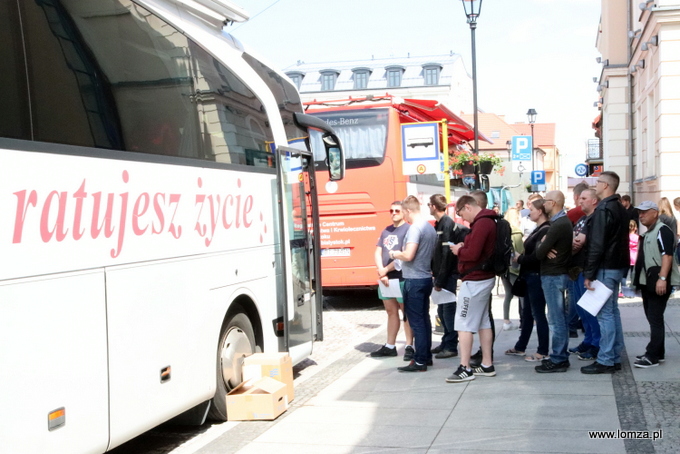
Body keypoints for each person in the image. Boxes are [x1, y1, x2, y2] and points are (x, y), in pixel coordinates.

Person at [582, 171, 629, 374]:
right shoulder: (618, 206)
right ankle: (614, 355)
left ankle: (607, 359)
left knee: (606, 314)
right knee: (612, 313)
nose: (596, 185)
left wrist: (589, 273)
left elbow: (597, 244)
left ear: (606, 186)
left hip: (606, 267)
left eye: (598, 182)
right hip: (616, 266)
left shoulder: (604, 208)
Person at [446, 195, 497, 382]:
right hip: (483, 278)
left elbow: (473, 254)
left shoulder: (482, 223)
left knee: (463, 323)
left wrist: (459, 250)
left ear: (467, 207)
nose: (462, 219)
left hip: (475, 280)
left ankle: (464, 367)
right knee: (483, 322)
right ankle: (486, 363)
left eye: (460, 214)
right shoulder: (489, 221)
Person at [391, 196, 437, 372]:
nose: (404, 217)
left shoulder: (414, 229)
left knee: (416, 322)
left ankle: (419, 361)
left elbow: (409, 255)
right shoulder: (429, 228)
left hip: (414, 280)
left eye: (403, 212)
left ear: (408, 211)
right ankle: (425, 357)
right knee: (424, 320)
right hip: (425, 278)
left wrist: (396, 254)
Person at [632, 201, 680, 367]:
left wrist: (663, 279)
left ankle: (652, 355)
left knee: (655, 319)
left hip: (658, 282)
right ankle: (658, 353)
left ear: (655, 212)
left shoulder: (662, 230)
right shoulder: (650, 232)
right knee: (654, 318)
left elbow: (667, 256)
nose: (641, 215)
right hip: (649, 282)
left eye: (645, 212)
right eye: (639, 212)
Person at [505, 198, 551, 361]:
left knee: (538, 314)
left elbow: (537, 256)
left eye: (531, 210)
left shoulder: (545, 230)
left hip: (536, 276)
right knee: (528, 313)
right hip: (530, 275)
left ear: (540, 211)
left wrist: (520, 258)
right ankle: (520, 346)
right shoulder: (539, 229)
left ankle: (543, 350)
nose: (529, 212)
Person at [534, 191, 574, 373]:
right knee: (559, 318)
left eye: (546, 202)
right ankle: (560, 356)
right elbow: (540, 247)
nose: (543, 205)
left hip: (553, 274)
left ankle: (558, 358)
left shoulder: (559, 224)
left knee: (556, 319)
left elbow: (539, 253)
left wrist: (543, 244)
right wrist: (542, 244)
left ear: (554, 203)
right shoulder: (560, 222)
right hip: (555, 273)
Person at [371, 201, 413, 359]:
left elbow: (403, 257)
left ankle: (409, 345)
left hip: (401, 277)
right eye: (391, 210)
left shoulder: (408, 230)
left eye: (397, 210)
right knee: (390, 312)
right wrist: (382, 273)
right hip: (385, 279)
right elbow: (377, 251)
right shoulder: (386, 231)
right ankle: (390, 345)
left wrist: (385, 270)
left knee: (406, 312)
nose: (393, 213)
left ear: (403, 213)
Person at [429, 194, 470, 359]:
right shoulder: (440, 223)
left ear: (433, 206)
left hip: (446, 275)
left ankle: (451, 345)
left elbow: (447, 254)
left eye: (429, 205)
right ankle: (446, 341)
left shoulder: (446, 224)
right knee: (442, 309)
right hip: (441, 274)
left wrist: (440, 278)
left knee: (448, 311)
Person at [566, 188, 602, 361]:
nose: (580, 201)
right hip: (576, 269)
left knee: (590, 310)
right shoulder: (582, 218)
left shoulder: (595, 219)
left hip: (587, 270)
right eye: (580, 198)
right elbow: (572, 240)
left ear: (594, 200)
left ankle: (596, 344)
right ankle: (588, 340)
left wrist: (574, 241)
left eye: (584, 198)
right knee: (581, 309)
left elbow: (580, 242)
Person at [499, 207, 524, 330]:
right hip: (515, 268)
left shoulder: (502, 232)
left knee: (508, 295)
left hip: (504, 268)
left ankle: (506, 321)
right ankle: (526, 320)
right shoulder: (517, 233)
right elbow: (520, 252)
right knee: (521, 294)